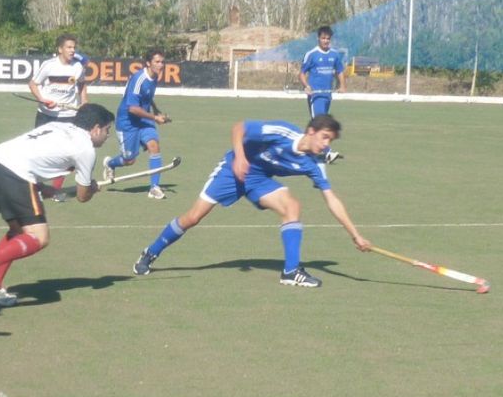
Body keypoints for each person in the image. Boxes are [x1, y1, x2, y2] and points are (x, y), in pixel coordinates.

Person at [132, 115, 371, 287]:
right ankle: (150, 252)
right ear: (310, 131)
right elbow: (239, 127)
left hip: (259, 179)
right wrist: (240, 158)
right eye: (325, 137)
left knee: (292, 206)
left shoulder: (315, 164)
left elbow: (332, 200)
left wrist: (355, 235)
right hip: (232, 169)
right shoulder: (282, 133)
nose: (327, 145)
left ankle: (291, 271)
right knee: (193, 217)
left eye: (331, 141)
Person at [0, 103, 114, 308]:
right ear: (96, 128)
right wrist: (91, 188)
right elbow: (82, 196)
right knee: (39, 237)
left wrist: (41, 187)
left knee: (18, 232)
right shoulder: (85, 148)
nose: (107, 136)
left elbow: (32, 153)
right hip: (16, 171)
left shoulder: (57, 126)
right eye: (107, 131)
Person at [102, 49, 170, 200]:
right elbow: (132, 108)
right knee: (129, 160)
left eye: (162, 62)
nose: (161, 65)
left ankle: (154, 187)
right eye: (157, 62)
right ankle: (110, 163)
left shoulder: (154, 77)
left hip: (143, 119)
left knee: (154, 145)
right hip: (127, 122)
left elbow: (147, 97)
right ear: (148, 63)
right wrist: (154, 118)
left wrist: (156, 110)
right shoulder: (139, 79)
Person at [28, 34, 88, 197]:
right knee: (39, 153)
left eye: (74, 47)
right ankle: (37, 187)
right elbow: (33, 84)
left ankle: (56, 190)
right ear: (60, 49)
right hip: (46, 114)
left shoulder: (78, 67)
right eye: (69, 47)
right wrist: (42, 99)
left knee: (65, 154)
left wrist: (84, 102)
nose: (72, 50)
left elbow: (82, 84)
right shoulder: (48, 66)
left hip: (68, 115)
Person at [298, 26, 346, 163]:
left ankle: (301, 147)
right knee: (320, 124)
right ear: (318, 38)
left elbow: (340, 72)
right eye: (323, 38)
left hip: (327, 96)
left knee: (316, 125)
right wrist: (306, 86)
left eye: (328, 39)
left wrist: (342, 86)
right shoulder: (311, 54)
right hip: (315, 96)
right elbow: (302, 74)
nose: (325, 41)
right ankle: (328, 153)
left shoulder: (334, 55)